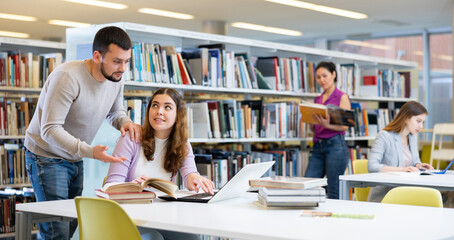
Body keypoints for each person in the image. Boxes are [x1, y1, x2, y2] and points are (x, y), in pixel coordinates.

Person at [24, 26, 141, 240]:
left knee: (70, 227)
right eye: (117, 61)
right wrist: (89, 151)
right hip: (46, 157)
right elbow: (49, 129)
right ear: (97, 56)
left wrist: (124, 122)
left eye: (127, 61)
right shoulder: (67, 77)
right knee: (55, 232)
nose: (123, 68)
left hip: (75, 159)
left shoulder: (116, 77)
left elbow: (115, 111)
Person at [106, 87, 214, 240]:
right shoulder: (130, 139)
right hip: (129, 216)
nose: (159, 111)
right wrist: (132, 189)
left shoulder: (182, 144)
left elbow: (190, 174)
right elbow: (111, 185)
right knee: (153, 237)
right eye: (155, 105)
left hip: (163, 218)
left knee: (192, 238)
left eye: (167, 107)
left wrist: (193, 178)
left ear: (177, 115)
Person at [367, 101, 433, 202]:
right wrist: (402, 169)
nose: (421, 126)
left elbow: (414, 161)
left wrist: (419, 166)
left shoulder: (412, 137)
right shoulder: (384, 136)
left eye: (422, 122)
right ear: (406, 118)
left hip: (406, 193)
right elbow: (372, 166)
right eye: (418, 121)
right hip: (385, 195)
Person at [304, 61, 351, 199]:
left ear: (334, 74)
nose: (321, 80)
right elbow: (316, 126)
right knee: (307, 185)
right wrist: (311, 121)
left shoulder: (342, 97)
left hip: (335, 146)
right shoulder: (317, 99)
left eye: (324, 76)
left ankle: (334, 219)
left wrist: (327, 125)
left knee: (333, 190)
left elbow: (345, 126)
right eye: (318, 77)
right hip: (318, 146)